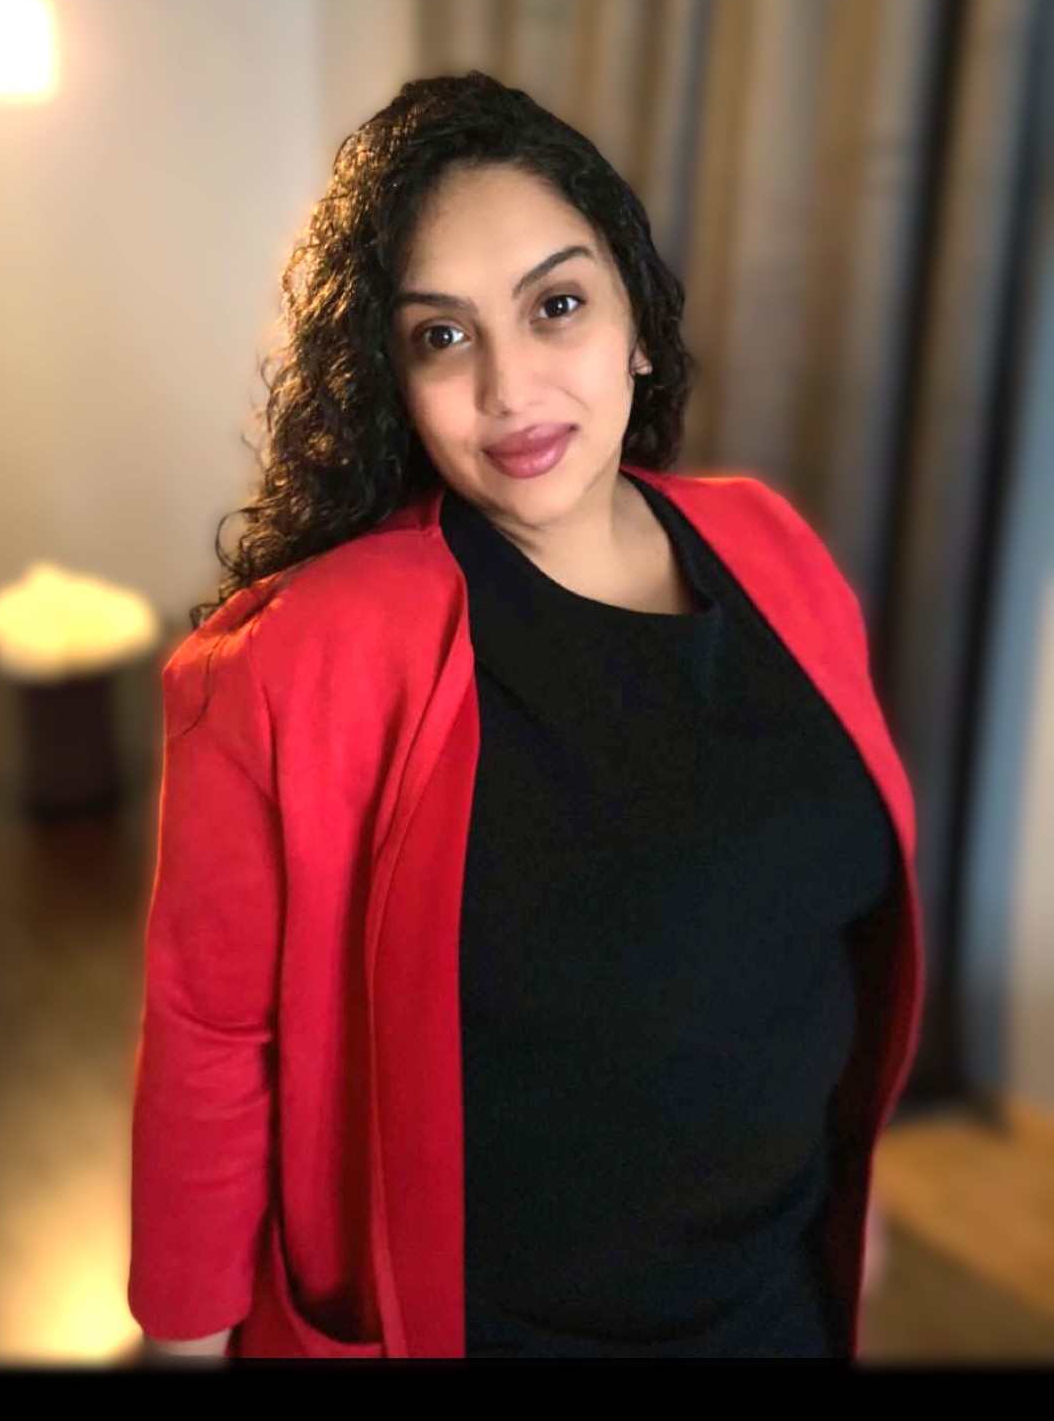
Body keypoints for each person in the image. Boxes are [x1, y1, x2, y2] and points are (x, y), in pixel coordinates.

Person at [129, 71, 922, 1362]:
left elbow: (823, 929)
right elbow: (213, 1027)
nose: (509, 386)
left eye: (557, 305)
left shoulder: (771, 546)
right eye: (443, 337)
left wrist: (851, 1193)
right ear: (395, 380)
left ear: (636, 323)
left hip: (781, 1300)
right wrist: (187, 1334)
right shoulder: (294, 663)